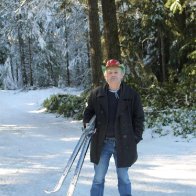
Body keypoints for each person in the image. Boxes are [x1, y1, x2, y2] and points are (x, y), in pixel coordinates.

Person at [83, 59, 144, 196]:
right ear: (105, 75)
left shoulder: (131, 94)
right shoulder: (96, 94)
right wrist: (87, 124)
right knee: (98, 178)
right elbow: (88, 113)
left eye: (116, 72)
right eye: (109, 72)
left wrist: (135, 138)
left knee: (123, 178)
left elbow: (139, 118)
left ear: (122, 75)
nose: (113, 75)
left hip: (124, 143)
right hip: (102, 143)